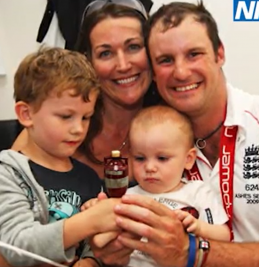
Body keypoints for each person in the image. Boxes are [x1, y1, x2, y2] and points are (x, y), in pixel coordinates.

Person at [89, 2, 259, 267]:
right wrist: (111, 251)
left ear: (219, 53)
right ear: (153, 73)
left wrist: (194, 253)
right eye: (165, 60)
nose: (181, 72)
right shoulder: (154, 141)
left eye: (194, 54)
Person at [13, 0, 162, 180]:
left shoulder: (175, 124)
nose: (123, 65)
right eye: (105, 53)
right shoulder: (52, 128)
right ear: (88, 60)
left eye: (133, 47)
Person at [0, 47, 119, 267]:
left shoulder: (89, 178)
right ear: (26, 114)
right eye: (66, 116)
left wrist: (91, 261)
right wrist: (88, 221)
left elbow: (96, 247)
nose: (78, 129)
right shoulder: (7, 173)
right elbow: (15, 246)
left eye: (86, 117)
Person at [83, 105, 230, 267]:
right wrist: (95, 209)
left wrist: (200, 228)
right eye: (140, 158)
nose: (149, 167)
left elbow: (225, 235)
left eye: (161, 158)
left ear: (188, 159)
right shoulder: (125, 197)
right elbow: (105, 236)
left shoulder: (198, 192)